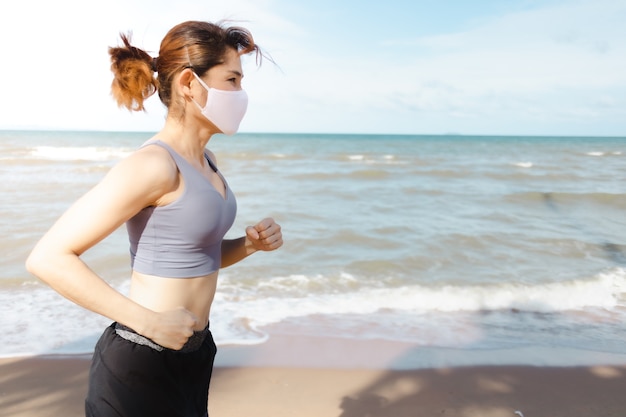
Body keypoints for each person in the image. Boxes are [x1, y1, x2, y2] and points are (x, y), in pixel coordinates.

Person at [25, 20, 283, 417]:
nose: (240, 94)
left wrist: (249, 245)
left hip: (195, 356)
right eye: (231, 80)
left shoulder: (207, 163)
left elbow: (195, 259)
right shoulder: (154, 165)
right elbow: (48, 257)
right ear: (188, 83)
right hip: (141, 364)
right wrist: (149, 322)